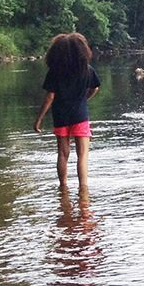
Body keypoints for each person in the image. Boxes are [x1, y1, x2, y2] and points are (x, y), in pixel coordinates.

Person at [34, 33, 101, 191]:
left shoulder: (54, 72)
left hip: (60, 116)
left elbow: (50, 96)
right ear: (82, 51)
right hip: (80, 116)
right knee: (82, 156)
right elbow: (95, 88)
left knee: (63, 154)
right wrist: (84, 99)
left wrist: (39, 119)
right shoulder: (87, 70)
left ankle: (63, 187)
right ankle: (83, 189)